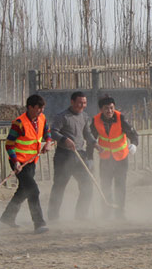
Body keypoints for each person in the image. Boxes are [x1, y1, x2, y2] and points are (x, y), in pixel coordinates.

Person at [0, 94, 52, 234]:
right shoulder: (19, 123)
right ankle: (39, 223)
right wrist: (15, 162)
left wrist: (48, 143)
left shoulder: (42, 118)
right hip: (19, 162)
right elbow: (9, 145)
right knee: (33, 190)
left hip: (31, 161)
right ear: (29, 107)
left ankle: (7, 217)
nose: (40, 111)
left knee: (23, 190)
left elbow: (47, 132)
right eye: (38, 108)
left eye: (42, 108)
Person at [47, 91, 99, 221]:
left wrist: (94, 143)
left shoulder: (85, 117)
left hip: (80, 155)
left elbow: (87, 133)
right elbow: (53, 132)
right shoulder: (62, 116)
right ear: (72, 102)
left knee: (87, 185)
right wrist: (64, 139)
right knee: (59, 186)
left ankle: (81, 216)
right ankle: (53, 217)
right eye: (80, 103)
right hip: (63, 156)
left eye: (84, 103)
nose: (82, 105)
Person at [89, 95, 138, 220]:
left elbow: (133, 133)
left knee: (120, 186)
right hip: (105, 159)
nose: (109, 111)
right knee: (105, 186)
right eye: (106, 108)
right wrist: (89, 158)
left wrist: (134, 144)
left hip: (121, 158)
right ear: (101, 109)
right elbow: (91, 140)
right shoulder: (95, 121)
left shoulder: (121, 118)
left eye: (111, 108)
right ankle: (106, 212)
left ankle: (120, 213)